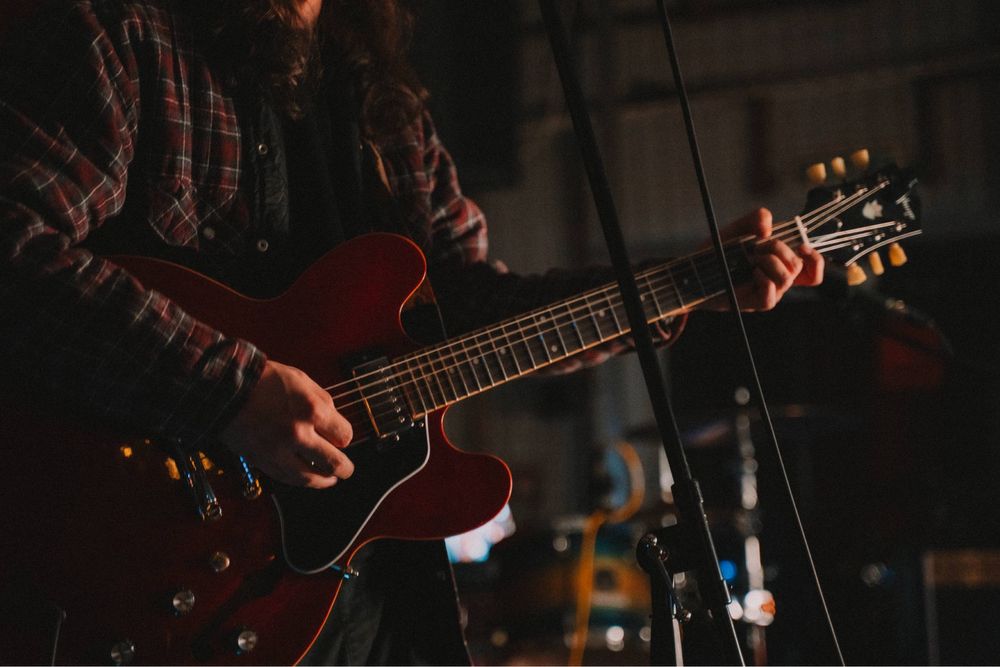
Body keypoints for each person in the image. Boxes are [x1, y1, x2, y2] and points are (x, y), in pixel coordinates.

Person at [0, 0, 823, 663]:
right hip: (149, 567)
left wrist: (683, 286)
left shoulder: (381, 100)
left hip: (368, 598)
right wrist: (226, 389)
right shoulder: (124, 36)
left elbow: (470, 308)